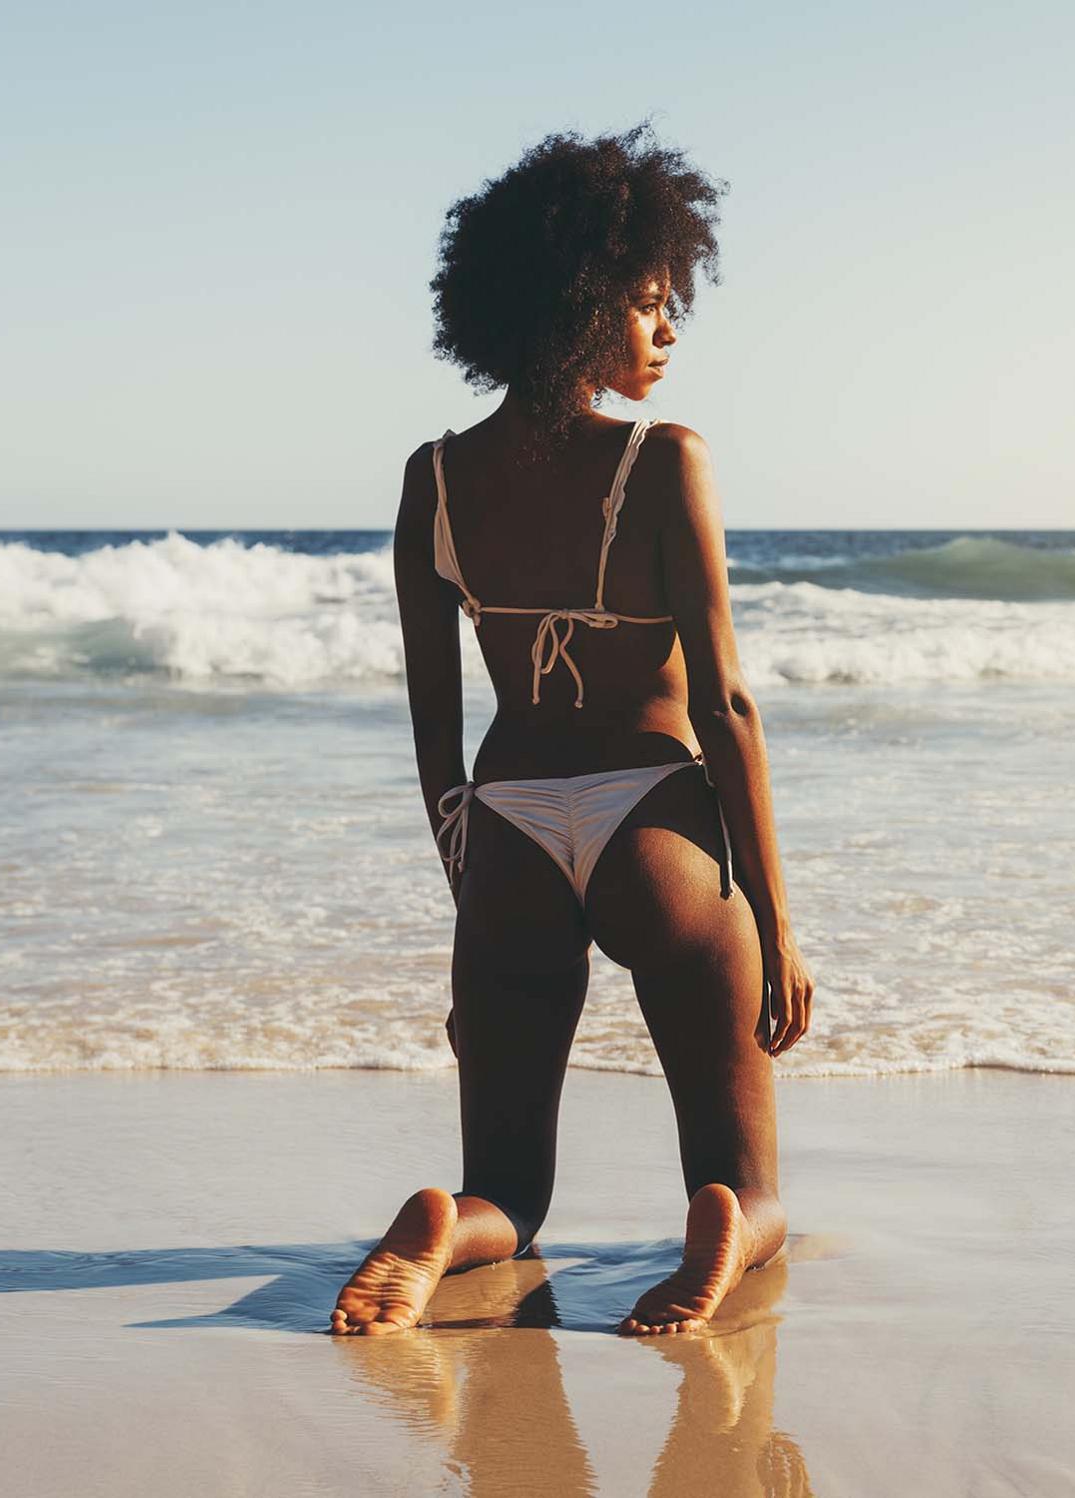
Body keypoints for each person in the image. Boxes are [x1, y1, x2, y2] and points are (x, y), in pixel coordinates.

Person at [332, 124, 815, 1338]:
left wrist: (466, 872)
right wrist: (775, 919)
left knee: (513, 1190)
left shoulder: (432, 476)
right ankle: (720, 1220)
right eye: (650, 304)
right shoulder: (662, 461)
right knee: (752, 1181)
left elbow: (433, 716)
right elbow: (726, 704)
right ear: (584, 305)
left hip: (506, 829)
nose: (666, 330)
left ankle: (447, 1223)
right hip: (653, 822)